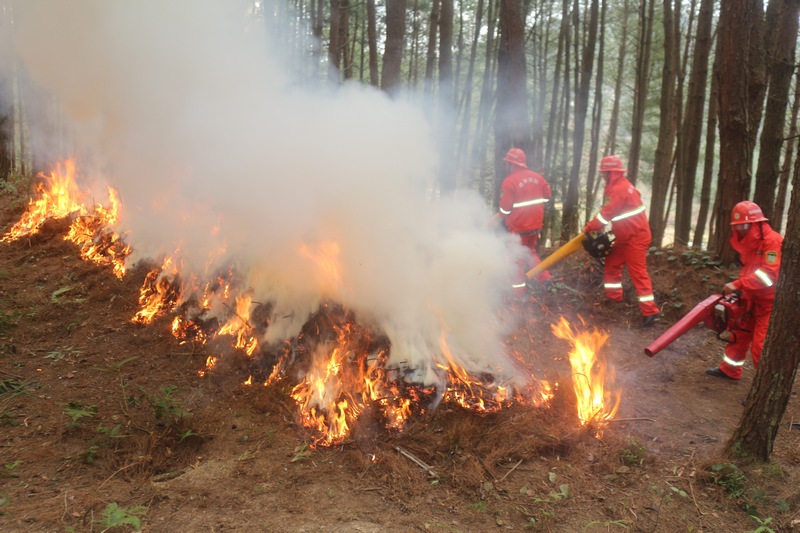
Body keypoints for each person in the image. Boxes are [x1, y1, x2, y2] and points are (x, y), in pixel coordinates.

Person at [706, 200, 783, 380]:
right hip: (750, 299)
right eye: (738, 226)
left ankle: (765, 386)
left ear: (756, 224)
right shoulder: (750, 243)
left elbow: (770, 275)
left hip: (769, 304)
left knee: (761, 346)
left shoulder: (773, 242)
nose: (740, 229)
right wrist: (742, 290)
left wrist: (739, 284)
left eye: (744, 225)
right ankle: (729, 370)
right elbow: (750, 270)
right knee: (739, 334)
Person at [583, 155, 660, 327]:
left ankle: (650, 312)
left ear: (611, 173)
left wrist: (590, 227)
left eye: (604, 173)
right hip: (625, 236)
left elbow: (606, 214)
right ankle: (614, 299)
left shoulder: (620, 189)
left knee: (638, 274)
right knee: (612, 264)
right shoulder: (620, 186)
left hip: (635, 238)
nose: (603, 176)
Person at [498, 147, 552, 295]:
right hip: (535, 225)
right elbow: (547, 196)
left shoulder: (509, 182)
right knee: (530, 252)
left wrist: (501, 218)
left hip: (518, 227)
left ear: (511, 164)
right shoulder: (538, 178)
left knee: (516, 258)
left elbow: (505, 209)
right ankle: (545, 278)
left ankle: (519, 292)